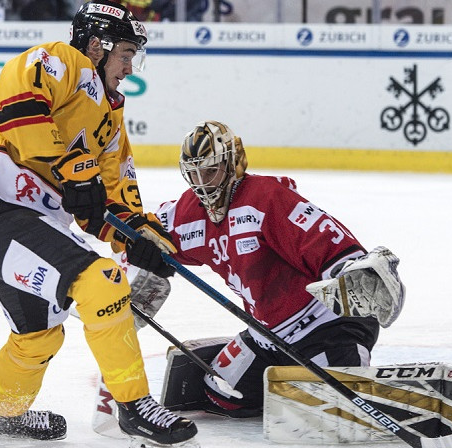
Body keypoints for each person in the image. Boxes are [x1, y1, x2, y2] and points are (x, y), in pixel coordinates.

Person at [0, 1, 197, 445]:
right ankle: (133, 405)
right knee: (102, 281)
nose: (129, 68)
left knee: (39, 336)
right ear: (96, 45)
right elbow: (19, 88)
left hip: (34, 225)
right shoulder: (66, 61)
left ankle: (4, 416)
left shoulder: (111, 122)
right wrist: (70, 165)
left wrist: (139, 238)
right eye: (125, 54)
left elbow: (106, 202)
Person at [140, 120, 405, 416]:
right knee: (225, 395)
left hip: (327, 324)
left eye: (210, 171)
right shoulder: (190, 213)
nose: (202, 183)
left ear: (232, 164)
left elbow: (320, 236)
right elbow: (149, 228)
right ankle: (295, 380)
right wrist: (140, 241)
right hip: (269, 335)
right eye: (194, 174)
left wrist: (350, 269)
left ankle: (345, 373)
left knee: (335, 405)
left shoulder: (265, 198)